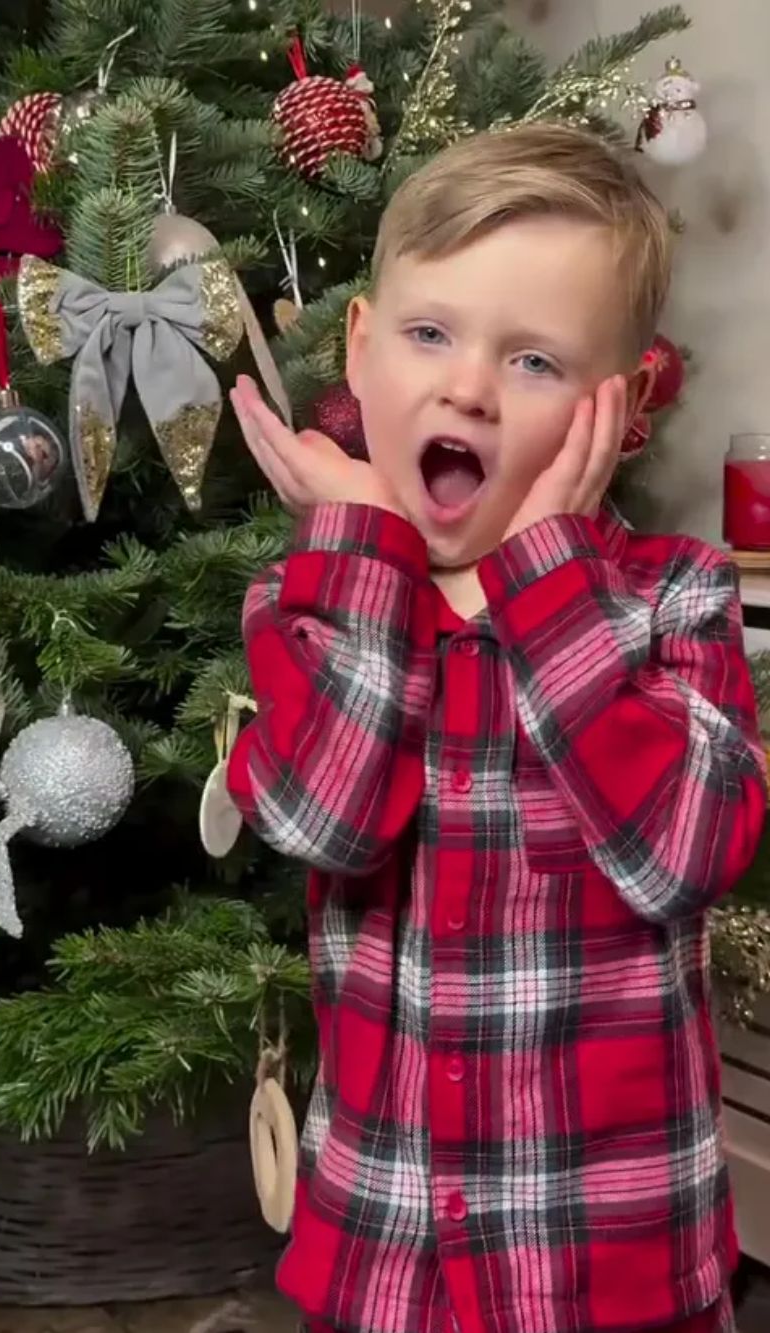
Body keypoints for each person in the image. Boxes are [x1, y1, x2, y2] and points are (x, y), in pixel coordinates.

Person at [225, 123, 766, 1333]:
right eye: (428, 335)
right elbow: (325, 822)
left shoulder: (672, 597)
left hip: (611, 1263)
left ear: (615, 411)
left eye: (531, 361)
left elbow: (681, 855)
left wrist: (548, 585)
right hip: (389, 1256)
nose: (465, 385)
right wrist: (362, 559)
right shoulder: (309, 598)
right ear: (360, 354)